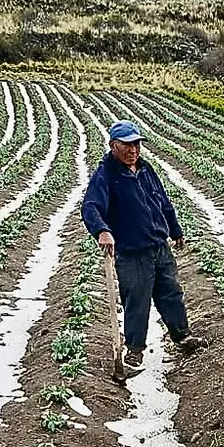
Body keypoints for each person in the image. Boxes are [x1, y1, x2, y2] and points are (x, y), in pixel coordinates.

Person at [81, 119, 208, 384]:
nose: (133, 150)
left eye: (137, 144)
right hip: (132, 251)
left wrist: (175, 229)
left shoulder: (146, 169)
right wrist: (102, 230)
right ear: (113, 146)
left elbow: (163, 201)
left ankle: (181, 336)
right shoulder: (106, 174)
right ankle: (134, 351)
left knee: (171, 292)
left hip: (158, 245)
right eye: (127, 144)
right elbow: (91, 206)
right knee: (136, 300)